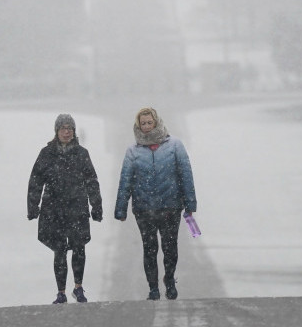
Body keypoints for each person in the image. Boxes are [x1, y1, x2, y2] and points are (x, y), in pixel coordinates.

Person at [114, 106, 197, 301]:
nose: (147, 127)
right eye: (143, 123)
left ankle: (169, 280)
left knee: (170, 248)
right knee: (149, 249)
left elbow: (186, 175)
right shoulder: (132, 151)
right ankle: (153, 288)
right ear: (138, 125)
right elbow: (125, 180)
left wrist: (190, 204)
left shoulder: (175, 145)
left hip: (170, 207)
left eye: (149, 122)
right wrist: (121, 208)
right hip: (144, 209)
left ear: (156, 122)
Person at [27, 113, 103, 304]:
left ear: (74, 131)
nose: (67, 132)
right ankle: (61, 292)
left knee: (79, 247)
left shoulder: (82, 154)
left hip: (77, 206)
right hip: (53, 209)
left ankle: (78, 288)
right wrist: (32, 206)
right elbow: (36, 180)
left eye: (70, 128)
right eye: (63, 128)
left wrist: (96, 206)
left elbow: (91, 181)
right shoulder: (46, 153)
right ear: (57, 131)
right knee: (59, 250)